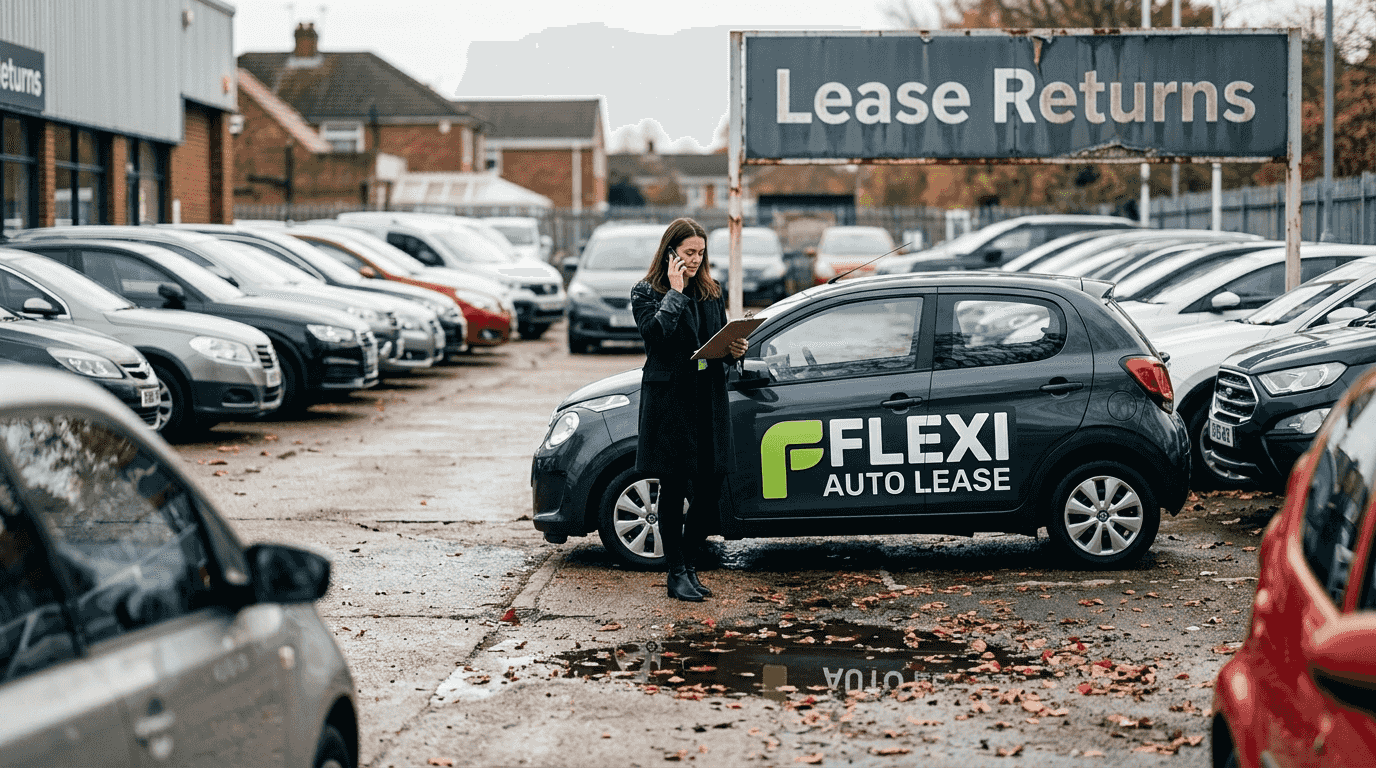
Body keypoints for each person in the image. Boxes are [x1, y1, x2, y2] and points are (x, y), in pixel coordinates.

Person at [631, 218, 748, 602]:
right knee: (675, 484)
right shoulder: (646, 292)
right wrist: (676, 292)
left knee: (711, 485)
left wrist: (734, 352)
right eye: (688, 253)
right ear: (670, 253)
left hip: (706, 397)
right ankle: (676, 572)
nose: (696, 260)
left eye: (701, 253)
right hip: (671, 402)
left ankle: (690, 563)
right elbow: (657, 338)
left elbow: (716, 340)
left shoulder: (712, 291)